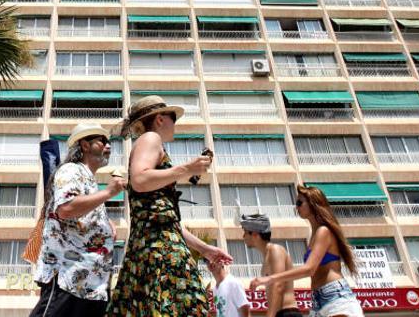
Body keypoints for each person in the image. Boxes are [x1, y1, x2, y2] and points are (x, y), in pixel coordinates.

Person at [108, 95, 233, 316]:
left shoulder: (150, 143)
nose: (176, 123)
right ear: (159, 119)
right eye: (173, 117)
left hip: (153, 245)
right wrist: (187, 168)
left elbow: (166, 220)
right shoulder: (150, 138)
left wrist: (205, 249)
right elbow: (139, 178)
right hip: (159, 248)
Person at [29, 123, 128, 317]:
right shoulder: (70, 170)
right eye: (102, 141)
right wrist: (109, 192)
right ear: (84, 145)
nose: (108, 146)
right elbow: (66, 209)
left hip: (92, 284)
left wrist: (106, 225)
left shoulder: (89, 181)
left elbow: (81, 214)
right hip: (68, 278)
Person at [249, 185, 364, 317]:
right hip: (317, 301)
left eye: (299, 203)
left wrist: (269, 278)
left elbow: (309, 269)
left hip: (336, 297)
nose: (296, 207)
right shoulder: (314, 235)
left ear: (313, 203)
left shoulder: (323, 231)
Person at [240, 213, 300, 317]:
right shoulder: (267, 256)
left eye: (245, 232)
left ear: (255, 234)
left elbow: (278, 285)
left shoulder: (275, 250)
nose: (243, 236)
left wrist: (270, 315)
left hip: (288, 313)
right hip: (281, 313)